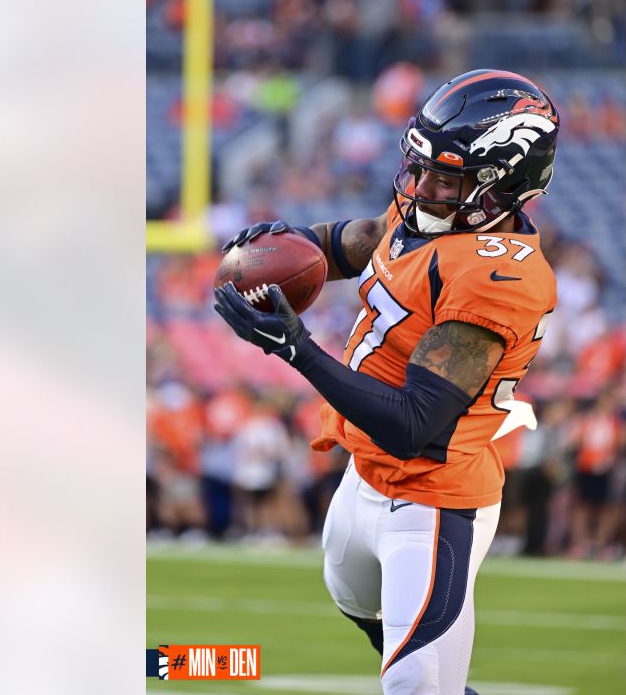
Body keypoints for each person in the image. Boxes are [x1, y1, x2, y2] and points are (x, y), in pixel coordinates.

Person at [214, 69, 560, 695]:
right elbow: (365, 241)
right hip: (363, 474)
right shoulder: (432, 213)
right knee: (353, 601)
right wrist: (281, 253)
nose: (421, 187)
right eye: (420, 168)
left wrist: (297, 349)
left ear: (501, 185)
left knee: (415, 688)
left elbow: (412, 424)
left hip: (432, 494)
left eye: (445, 177)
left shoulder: (498, 277)